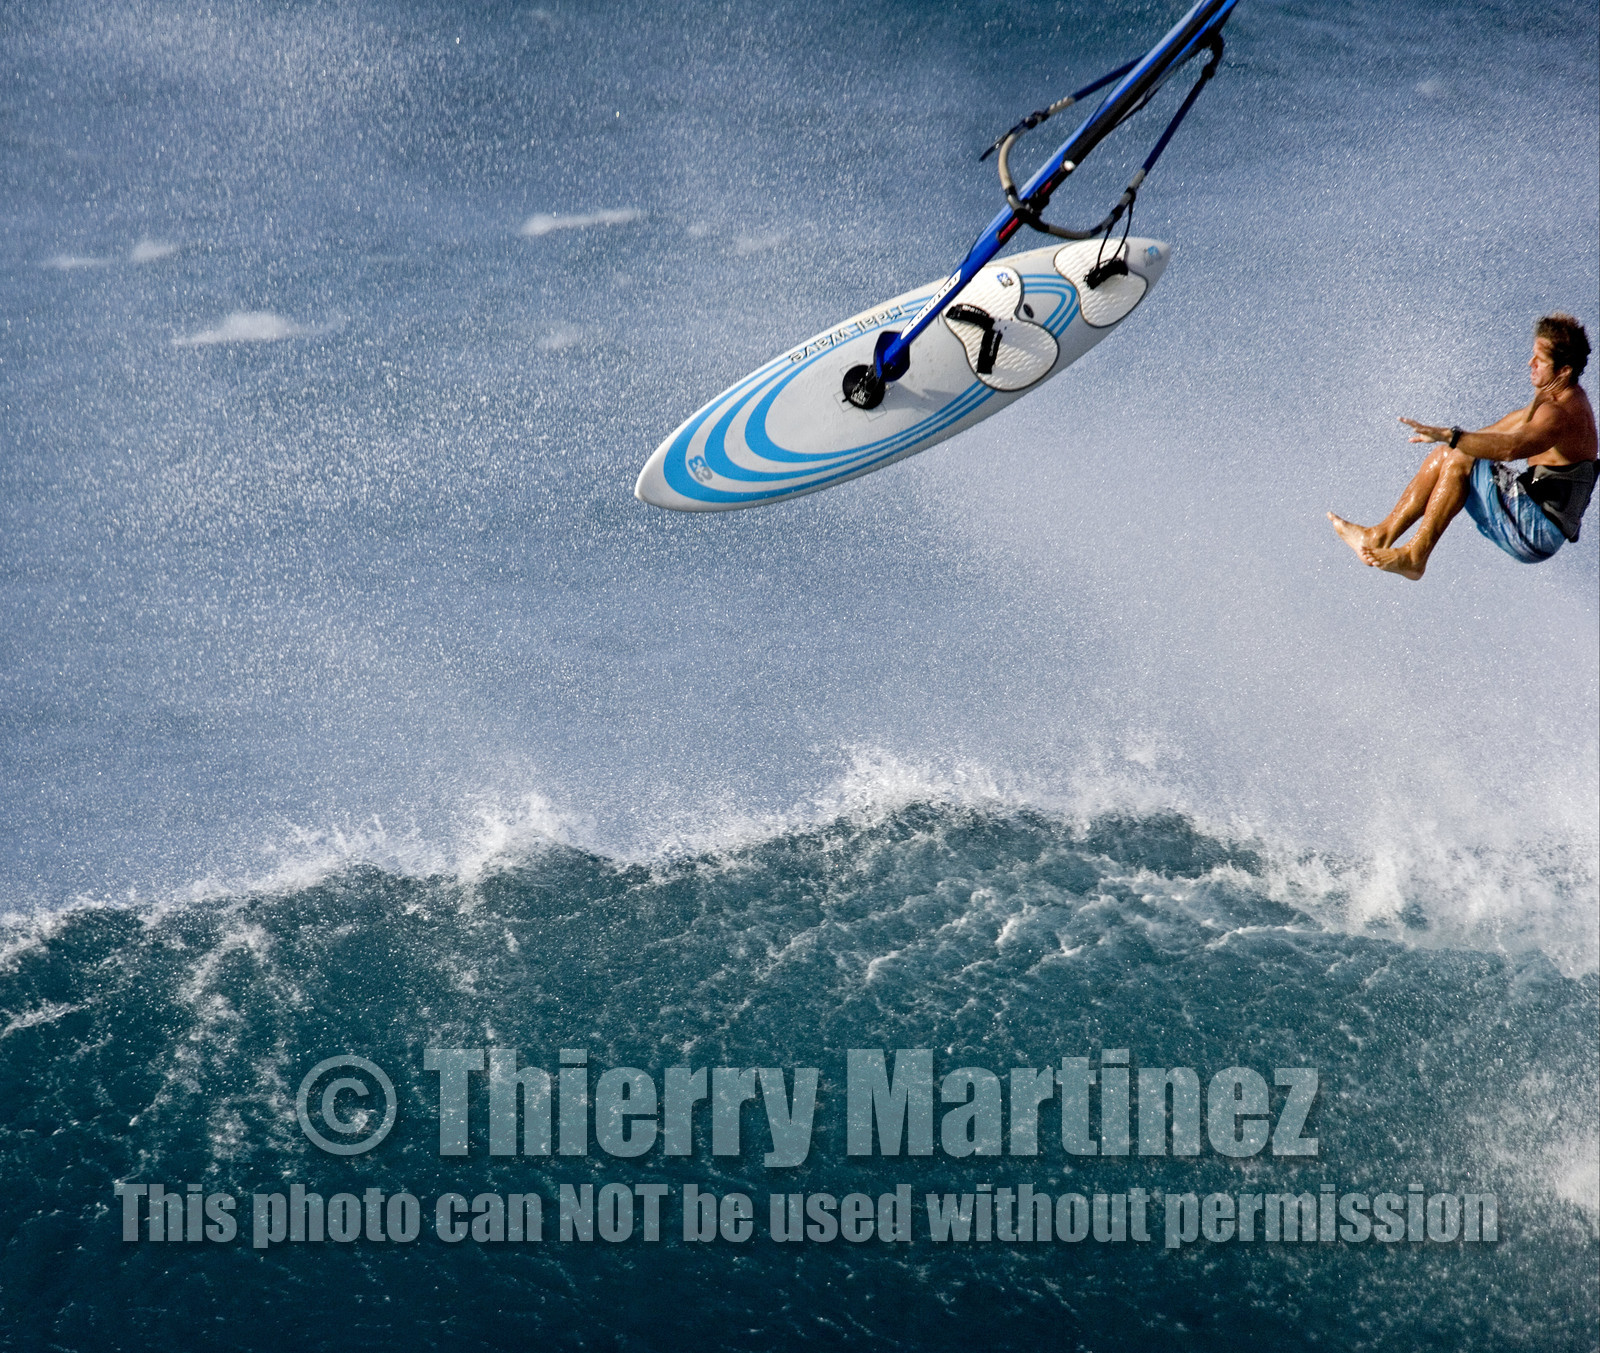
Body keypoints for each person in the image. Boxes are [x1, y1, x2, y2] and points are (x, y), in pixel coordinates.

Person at [1329, 314, 1597, 580]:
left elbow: (1512, 448)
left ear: (1564, 370)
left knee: (1462, 456)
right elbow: (1511, 426)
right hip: (1533, 523)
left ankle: (1415, 556)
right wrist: (1448, 440)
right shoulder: (1557, 395)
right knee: (1448, 454)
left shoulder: (1560, 413)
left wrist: (1454, 438)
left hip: (1536, 529)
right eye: (1532, 355)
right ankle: (1378, 536)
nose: (1530, 363)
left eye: (1540, 360)